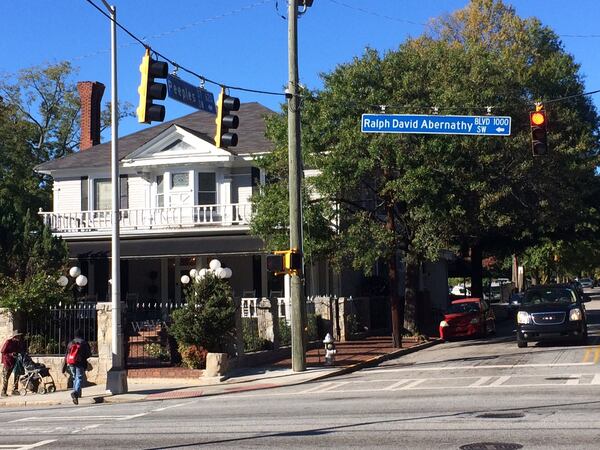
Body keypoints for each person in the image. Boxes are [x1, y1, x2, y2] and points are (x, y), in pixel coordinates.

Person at [65, 329, 91, 405]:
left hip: (71, 362)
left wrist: (65, 364)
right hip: (80, 362)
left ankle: (77, 394)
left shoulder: (70, 343)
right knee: (79, 377)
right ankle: (76, 393)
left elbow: (67, 354)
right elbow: (88, 354)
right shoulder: (83, 342)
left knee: (74, 377)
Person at [1, 331, 25, 396]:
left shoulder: (17, 343)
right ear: (14, 337)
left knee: (17, 375)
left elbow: (20, 350)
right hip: (7, 362)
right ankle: (3, 392)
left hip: (15, 362)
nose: (19, 337)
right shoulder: (8, 342)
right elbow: (3, 351)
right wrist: (11, 354)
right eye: (18, 336)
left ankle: (15, 390)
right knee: (6, 377)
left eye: (19, 336)